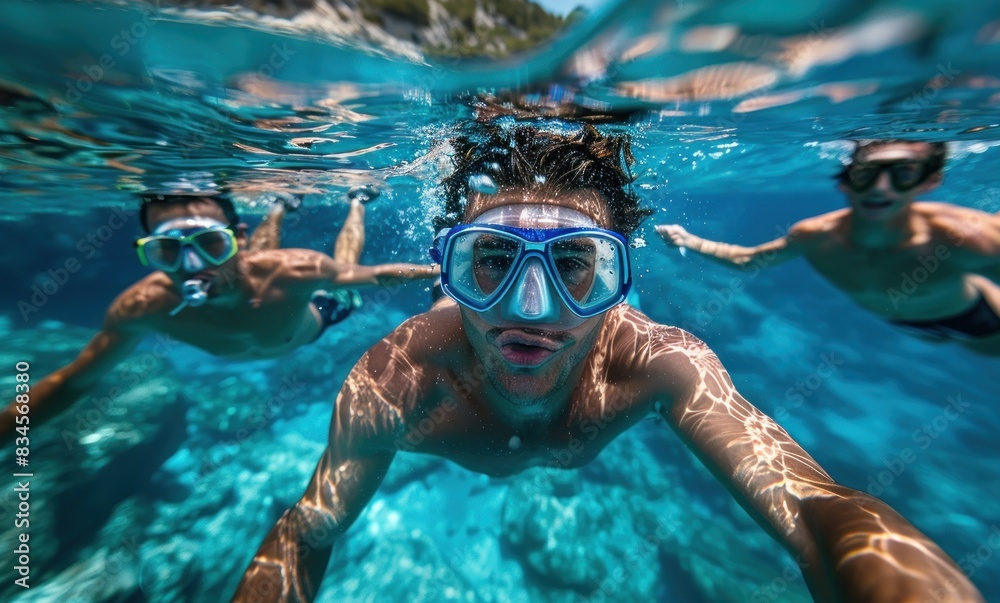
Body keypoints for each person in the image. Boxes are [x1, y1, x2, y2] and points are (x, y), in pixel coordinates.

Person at [232, 125, 983, 603]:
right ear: (454, 263)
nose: (530, 308)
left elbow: (819, 514)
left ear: (623, 280)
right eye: (489, 259)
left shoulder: (659, 362)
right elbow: (308, 529)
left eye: (576, 264)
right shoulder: (395, 381)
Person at [0, 188, 439, 443]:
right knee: (256, 266)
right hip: (266, 292)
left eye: (211, 245)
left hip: (311, 321)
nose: (192, 267)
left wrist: (440, 271)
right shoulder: (143, 306)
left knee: (343, 278)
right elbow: (73, 380)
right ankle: (279, 207)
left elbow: (374, 275)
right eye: (169, 250)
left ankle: (357, 201)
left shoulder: (292, 271)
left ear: (235, 239)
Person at [657, 140, 1000, 356]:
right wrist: (690, 240)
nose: (881, 188)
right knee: (939, 342)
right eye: (868, 172)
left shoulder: (963, 236)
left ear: (929, 182)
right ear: (847, 180)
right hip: (901, 320)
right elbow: (749, 260)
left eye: (903, 173)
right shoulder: (815, 235)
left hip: (974, 316)